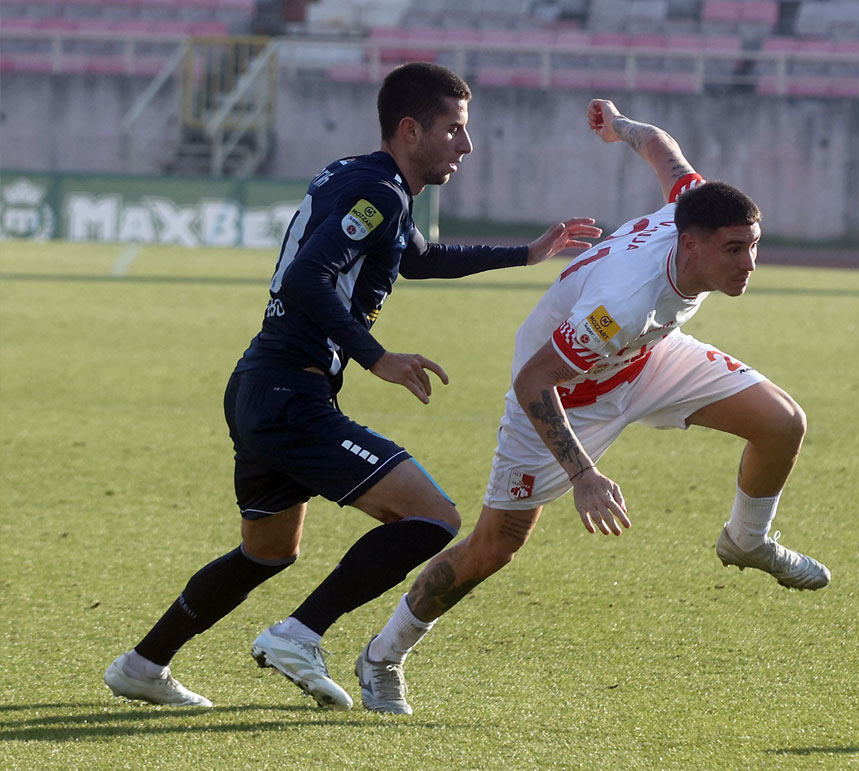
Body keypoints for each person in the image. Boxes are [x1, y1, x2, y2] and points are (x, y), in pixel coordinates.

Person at [102, 62, 600, 710]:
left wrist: (525, 254)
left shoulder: (363, 178)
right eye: (454, 128)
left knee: (267, 551)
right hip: (290, 396)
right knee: (434, 518)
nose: (466, 144)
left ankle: (143, 664)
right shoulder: (380, 192)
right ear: (410, 129)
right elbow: (306, 277)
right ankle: (299, 633)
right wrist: (375, 356)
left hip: (262, 387)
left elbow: (417, 258)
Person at [350, 99, 831, 715]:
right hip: (565, 396)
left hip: (645, 359)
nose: (750, 264)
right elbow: (534, 381)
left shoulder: (693, 203)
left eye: (754, 246)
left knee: (783, 422)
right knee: (494, 547)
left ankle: (747, 541)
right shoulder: (622, 304)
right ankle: (383, 655)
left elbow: (660, 146)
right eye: (735, 249)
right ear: (689, 245)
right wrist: (584, 476)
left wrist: (619, 127)